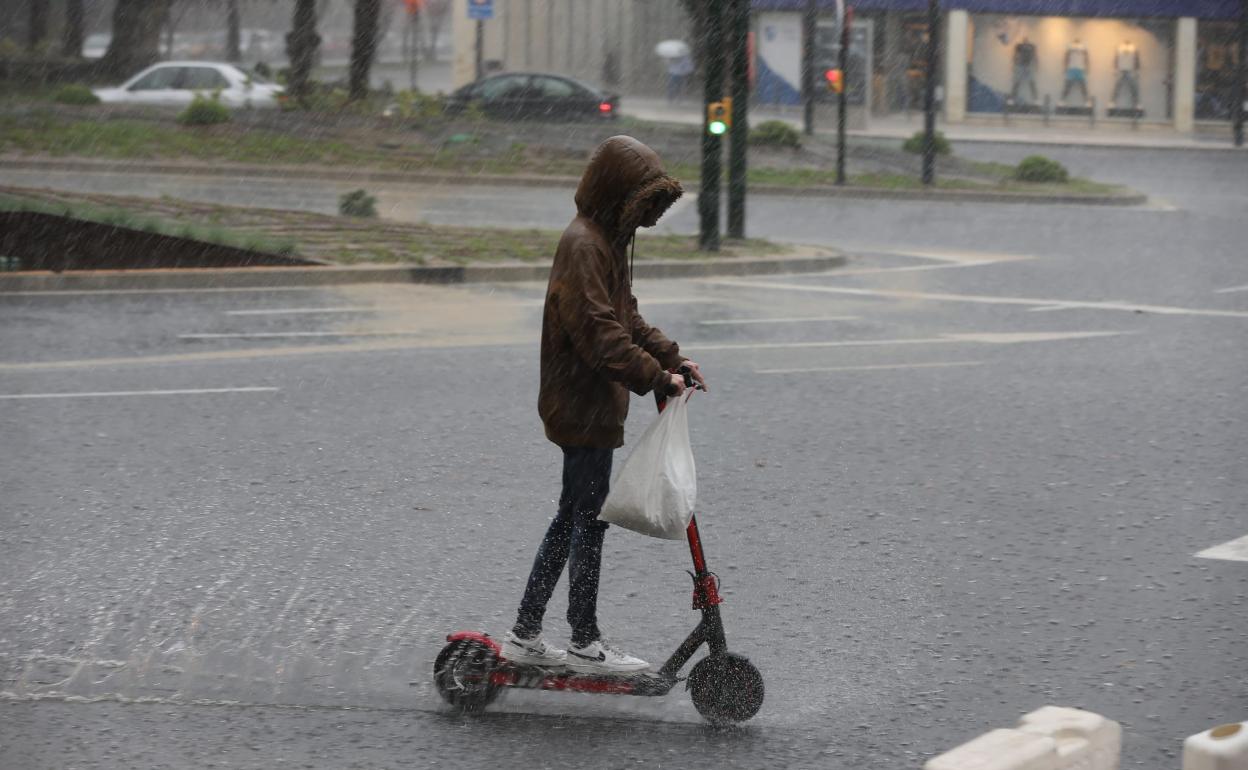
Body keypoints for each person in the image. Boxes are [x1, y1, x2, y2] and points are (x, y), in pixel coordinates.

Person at [503, 136, 707, 673]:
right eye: (641, 206)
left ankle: (526, 632)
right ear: (617, 194)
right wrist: (654, 377)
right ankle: (583, 640)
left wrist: (672, 359)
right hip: (581, 402)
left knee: (574, 517)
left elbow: (628, 317)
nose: (645, 219)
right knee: (585, 521)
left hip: (595, 402)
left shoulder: (607, 242)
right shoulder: (585, 245)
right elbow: (599, 333)